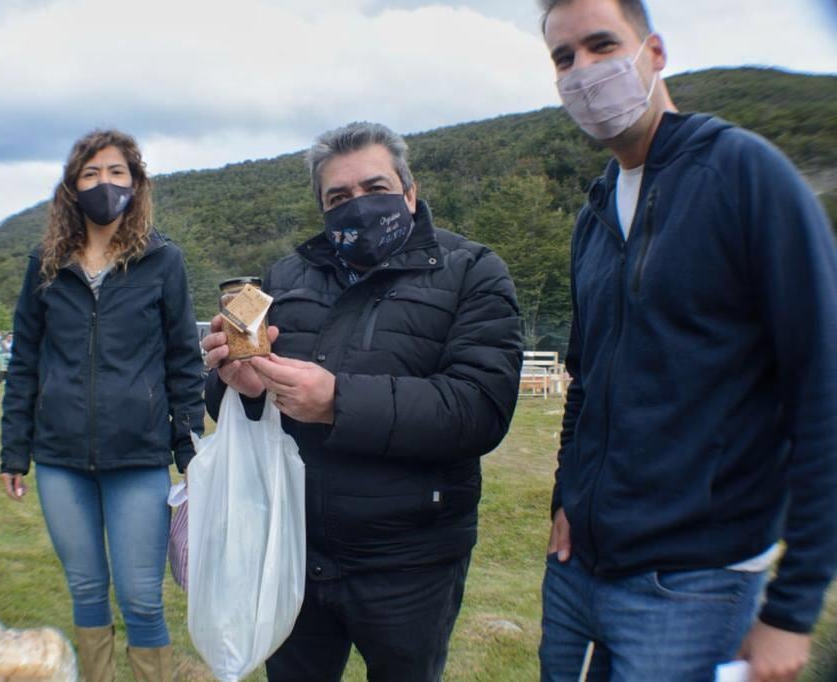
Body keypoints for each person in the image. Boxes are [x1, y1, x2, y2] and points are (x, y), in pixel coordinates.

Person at [538, 1, 837, 680]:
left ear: (655, 52)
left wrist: (792, 610)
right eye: (564, 58)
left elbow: (823, 389)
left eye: (601, 45)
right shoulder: (594, 213)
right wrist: (566, 497)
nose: (584, 71)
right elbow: (585, 379)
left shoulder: (744, 176)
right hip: (577, 572)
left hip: (693, 584)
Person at [202, 121, 523, 682]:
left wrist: (337, 401)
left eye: (375, 189)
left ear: (410, 190)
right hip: (296, 548)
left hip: (411, 557)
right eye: (339, 197)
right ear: (322, 209)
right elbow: (242, 396)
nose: (359, 207)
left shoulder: (472, 271)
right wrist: (242, 384)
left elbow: (479, 408)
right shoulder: (283, 277)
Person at [0, 129, 205, 682]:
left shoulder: (163, 262)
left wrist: (190, 452)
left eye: (116, 172)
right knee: (87, 588)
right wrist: (13, 451)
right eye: (90, 174)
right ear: (72, 187)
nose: (104, 183)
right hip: (60, 459)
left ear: (135, 184)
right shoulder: (45, 264)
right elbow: (24, 364)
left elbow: (184, 361)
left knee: (141, 598)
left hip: (138, 459)